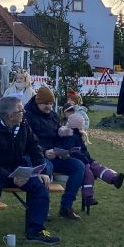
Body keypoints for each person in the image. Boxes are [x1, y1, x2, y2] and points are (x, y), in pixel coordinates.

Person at [0, 94, 59, 245]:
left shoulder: (23, 126)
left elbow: (34, 147)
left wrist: (41, 171)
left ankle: (35, 231)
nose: (24, 112)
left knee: (40, 185)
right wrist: (12, 178)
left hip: (16, 170)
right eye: (20, 110)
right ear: (10, 115)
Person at [23, 85, 87, 220]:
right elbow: (27, 141)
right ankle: (41, 208)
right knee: (46, 167)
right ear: (38, 102)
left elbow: (59, 135)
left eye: (51, 103)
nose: (49, 107)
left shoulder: (53, 116)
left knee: (79, 166)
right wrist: (44, 152)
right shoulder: (27, 116)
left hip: (54, 154)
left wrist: (61, 150)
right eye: (46, 103)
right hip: (36, 156)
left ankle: (66, 206)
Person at [56, 110, 124, 208]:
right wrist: (85, 159)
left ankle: (114, 178)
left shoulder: (78, 134)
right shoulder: (69, 136)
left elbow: (83, 150)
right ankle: (88, 197)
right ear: (77, 125)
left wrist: (88, 159)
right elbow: (71, 152)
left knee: (98, 167)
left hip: (85, 159)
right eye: (82, 125)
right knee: (89, 174)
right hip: (78, 161)